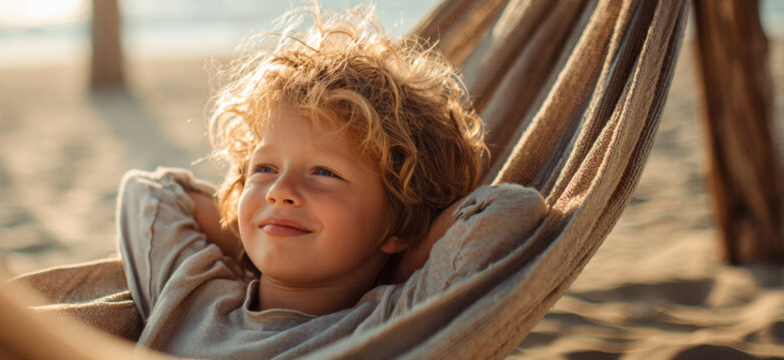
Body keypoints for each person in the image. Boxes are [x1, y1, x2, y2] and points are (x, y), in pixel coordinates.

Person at [116, 5, 545, 358]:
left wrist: (406, 247)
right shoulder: (193, 297)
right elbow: (149, 192)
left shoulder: (395, 319)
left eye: (324, 173)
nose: (280, 191)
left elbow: (509, 210)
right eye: (263, 168)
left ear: (399, 227)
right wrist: (246, 223)